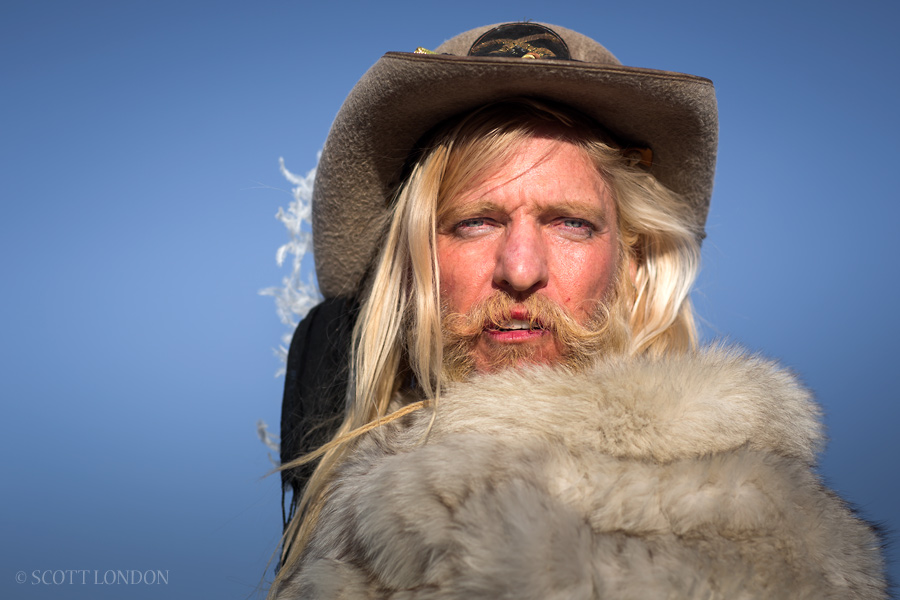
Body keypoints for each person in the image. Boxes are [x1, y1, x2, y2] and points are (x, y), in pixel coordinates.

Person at [272, 22, 887, 599]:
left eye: (570, 223)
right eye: (475, 222)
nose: (520, 269)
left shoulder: (753, 532)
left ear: (634, 264)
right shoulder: (346, 512)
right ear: (411, 269)